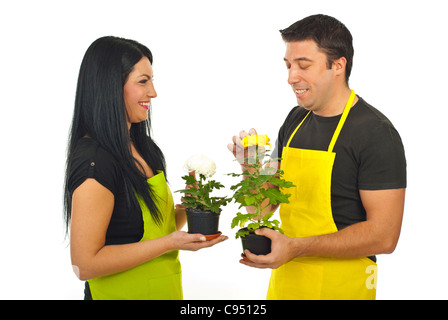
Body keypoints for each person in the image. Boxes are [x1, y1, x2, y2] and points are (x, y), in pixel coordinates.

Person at [228, 14, 406, 300]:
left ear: (338, 65)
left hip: (342, 287)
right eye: (288, 65)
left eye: (303, 65)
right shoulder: (294, 121)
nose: (291, 77)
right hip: (286, 284)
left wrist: (297, 246)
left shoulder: (376, 134)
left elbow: (384, 236)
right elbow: (261, 207)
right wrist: (249, 167)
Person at [63, 36, 227, 300]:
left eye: (152, 80)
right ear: (111, 87)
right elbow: (84, 264)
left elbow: (152, 229)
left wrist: (191, 204)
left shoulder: (144, 148)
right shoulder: (95, 160)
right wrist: (170, 243)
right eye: (143, 81)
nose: (153, 92)